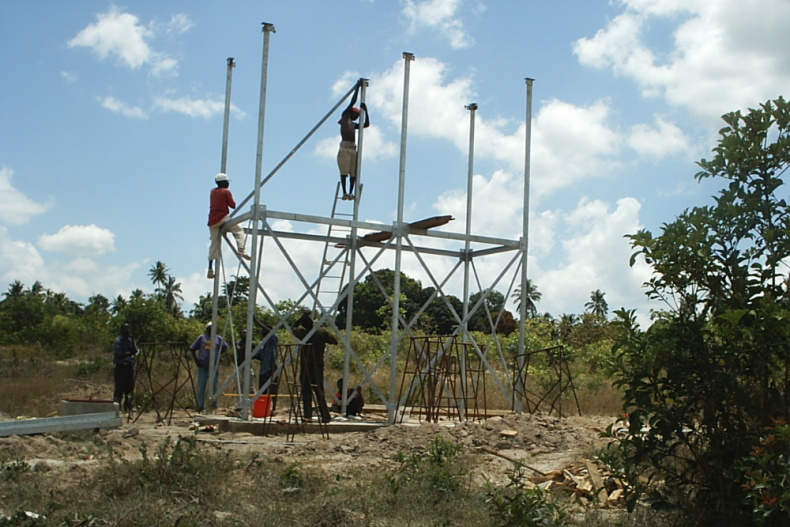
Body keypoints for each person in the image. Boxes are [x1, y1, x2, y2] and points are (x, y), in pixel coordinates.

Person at [293, 311, 336, 423]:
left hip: (306, 367)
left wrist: (302, 317)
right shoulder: (321, 332)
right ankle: (325, 416)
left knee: (306, 392)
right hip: (318, 367)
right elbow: (334, 341)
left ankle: (307, 416)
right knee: (319, 391)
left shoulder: (303, 334)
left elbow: (293, 327)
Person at [207, 172, 250, 279]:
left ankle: (210, 268)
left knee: (214, 243)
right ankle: (241, 249)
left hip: (212, 220)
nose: (228, 184)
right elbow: (233, 205)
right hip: (222, 217)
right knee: (238, 230)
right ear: (223, 182)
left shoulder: (212, 191)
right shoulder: (226, 191)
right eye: (227, 182)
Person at [337, 81, 370, 201]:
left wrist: (366, 111)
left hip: (353, 148)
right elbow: (352, 101)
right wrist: (358, 87)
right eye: (356, 114)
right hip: (345, 148)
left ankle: (351, 192)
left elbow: (366, 124)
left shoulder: (354, 125)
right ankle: (345, 192)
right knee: (344, 171)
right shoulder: (345, 117)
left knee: (353, 172)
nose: (357, 117)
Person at [190, 322, 229, 412]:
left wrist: (218, 354)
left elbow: (225, 347)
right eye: (210, 328)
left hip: (214, 366)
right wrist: (196, 361)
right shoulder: (202, 338)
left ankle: (214, 405)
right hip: (203, 366)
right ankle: (200, 405)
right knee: (201, 386)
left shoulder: (219, 338)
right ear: (207, 329)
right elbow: (192, 348)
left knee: (214, 386)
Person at [252, 323, 280, 411]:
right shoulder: (262, 343)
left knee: (273, 389)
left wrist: (257, 322)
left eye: (265, 330)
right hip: (264, 369)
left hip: (272, 368)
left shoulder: (273, 340)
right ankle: (263, 408)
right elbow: (259, 356)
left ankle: (274, 408)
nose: (263, 332)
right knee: (262, 390)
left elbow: (270, 332)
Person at [113, 323, 138, 412]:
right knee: (119, 388)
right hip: (121, 367)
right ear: (121, 330)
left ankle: (128, 407)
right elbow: (118, 354)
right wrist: (129, 353)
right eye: (125, 329)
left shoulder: (130, 340)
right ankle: (116, 408)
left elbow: (135, 351)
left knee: (129, 388)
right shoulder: (118, 341)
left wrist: (133, 340)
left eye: (128, 328)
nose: (127, 330)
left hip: (129, 366)